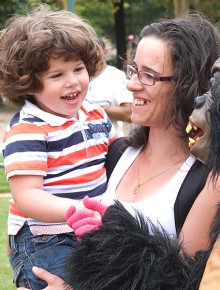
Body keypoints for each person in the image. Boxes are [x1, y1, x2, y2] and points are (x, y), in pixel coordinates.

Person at [19, 12, 220, 290]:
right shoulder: (111, 154)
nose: (131, 84)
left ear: (188, 85)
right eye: (134, 70)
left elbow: (182, 283)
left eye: (149, 75)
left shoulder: (210, 180)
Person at [0, 5, 117, 289]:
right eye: (57, 75)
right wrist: (73, 210)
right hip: (44, 237)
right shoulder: (29, 129)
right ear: (28, 83)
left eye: (78, 69)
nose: (73, 81)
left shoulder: (94, 113)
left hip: (88, 227)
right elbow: (27, 195)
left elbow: (118, 158)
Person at [86, 37, 133, 136]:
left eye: (95, 52)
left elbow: (129, 114)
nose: (91, 56)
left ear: (105, 52)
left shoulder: (117, 76)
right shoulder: (78, 78)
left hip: (111, 144)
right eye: (87, 53)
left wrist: (92, 107)